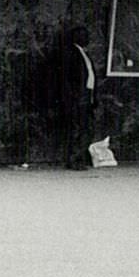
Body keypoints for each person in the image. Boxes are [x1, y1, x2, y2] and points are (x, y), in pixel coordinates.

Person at [49, 23, 98, 170]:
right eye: (84, 35)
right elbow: (66, 78)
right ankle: (74, 160)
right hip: (76, 98)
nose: (87, 38)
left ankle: (78, 158)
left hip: (85, 96)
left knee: (83, 129)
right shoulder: (70, 53)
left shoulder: (82, 52)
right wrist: (71, 97)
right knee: (76, 129)